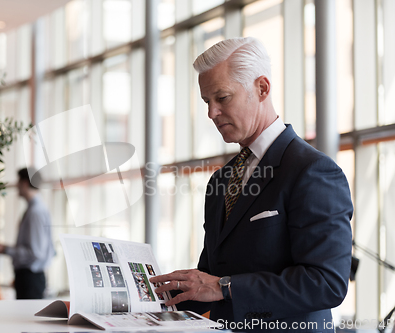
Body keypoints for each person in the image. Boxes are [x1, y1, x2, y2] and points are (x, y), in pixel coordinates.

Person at [150, 37, 353, 332]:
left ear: (262, 88)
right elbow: (211, 281)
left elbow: (326, 283)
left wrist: (225, 287)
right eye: (207, 102)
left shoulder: (312, 170)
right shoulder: (221, 179)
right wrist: (145, 299)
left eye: (222, 98)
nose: (211, 113)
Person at [0, 168, 55, 299]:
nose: (16, 186)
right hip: (28, 278)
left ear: (25, 183)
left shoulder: (36, 212)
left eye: (18, 181)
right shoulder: (35, 209)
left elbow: (36, 253)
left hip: (30, 279)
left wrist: (5, 249)